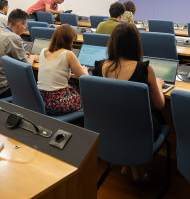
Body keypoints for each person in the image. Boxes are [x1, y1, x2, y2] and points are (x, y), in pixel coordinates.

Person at [93, 22, 165, 182]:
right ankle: (134, 165)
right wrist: (158, 85)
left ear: (113, 42)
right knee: (144, 117)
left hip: (107, 126)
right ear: (136, 44)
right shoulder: (144, 69)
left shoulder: (99, 67)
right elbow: (159, 105)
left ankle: (129, 164)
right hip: (138, 130)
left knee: (122, 117)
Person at [0, 9, 39, 98]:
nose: (24, 30)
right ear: (19, 25)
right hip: (0, 89)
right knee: (33, 79)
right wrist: (33, 57)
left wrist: (21, 53)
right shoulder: (14, 37)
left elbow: (3, 54)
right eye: (25, 27)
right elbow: (27, 67)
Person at [37, 25, 88, 115]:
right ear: (69, 40)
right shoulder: (68, 54)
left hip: (40, 99)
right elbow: (84, 79)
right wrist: (85, 70)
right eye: (72, 40)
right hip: (56, 103)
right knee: (86, 98)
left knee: (72, 87)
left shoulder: (43, 51)